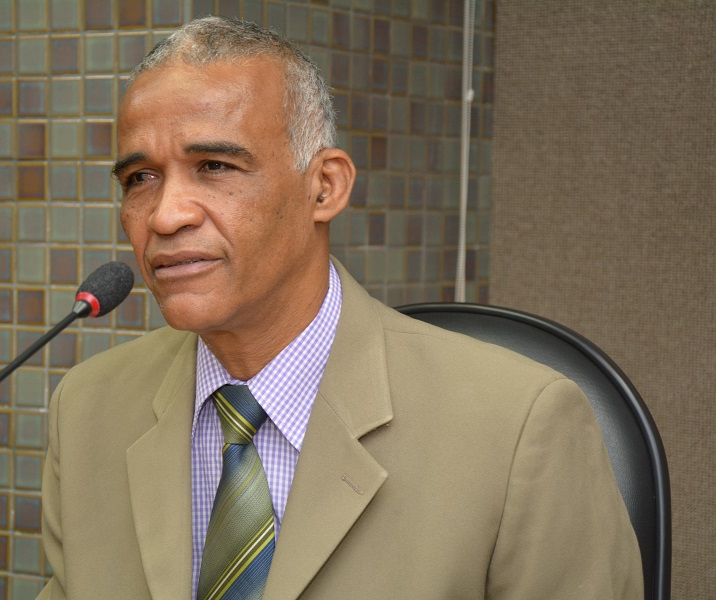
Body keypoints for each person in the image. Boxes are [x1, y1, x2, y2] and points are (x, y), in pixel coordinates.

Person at [37, 16, 642, 600]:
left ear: (324, 186)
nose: (167, 216)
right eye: (140, 179)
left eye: (215, 167)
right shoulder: (88, 411)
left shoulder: (518, 429)